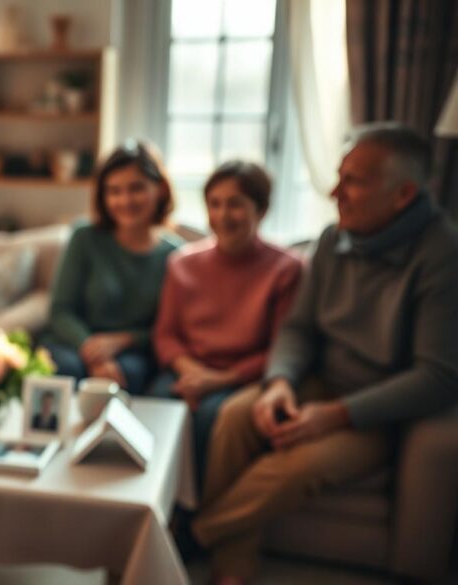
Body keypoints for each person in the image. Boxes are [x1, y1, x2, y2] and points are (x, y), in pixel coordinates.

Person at [191, 124, 458, 585]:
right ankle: (232, 567)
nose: (335, 192)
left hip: (377, 412)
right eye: (339, 176)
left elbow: (437, 377)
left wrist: (333, 416)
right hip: (319, 381)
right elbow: (299, 330)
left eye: (353, 181)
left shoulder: (442, 256)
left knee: (294, 466)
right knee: (236, 417)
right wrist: (279, 384)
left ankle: (189, 535)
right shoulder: (334, 240)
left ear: (404, 194)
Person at [150, 161, 302, 480]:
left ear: (260, 210)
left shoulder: (286, 269)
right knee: (156, 409)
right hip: (188, 370)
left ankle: (191, 518)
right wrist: (192, 372)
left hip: (241, 377)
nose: (222, 215)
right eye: (214, 204)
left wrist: (218, 380)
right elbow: (165, 335)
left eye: (235, 204)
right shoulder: (182, 264)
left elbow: (281, 348)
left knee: (207, 418)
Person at [42, 141, 182, 394]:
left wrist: (123, 340)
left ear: (160, 189)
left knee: (127, 374)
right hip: (74, 343)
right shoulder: (84, 238)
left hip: (132, 353)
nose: (125, 200)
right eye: (114, 191)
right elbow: (60, 310)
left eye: (136, 188)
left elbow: (171, 330)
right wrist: (90, 349)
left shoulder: (176, 256)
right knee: (65, 368)